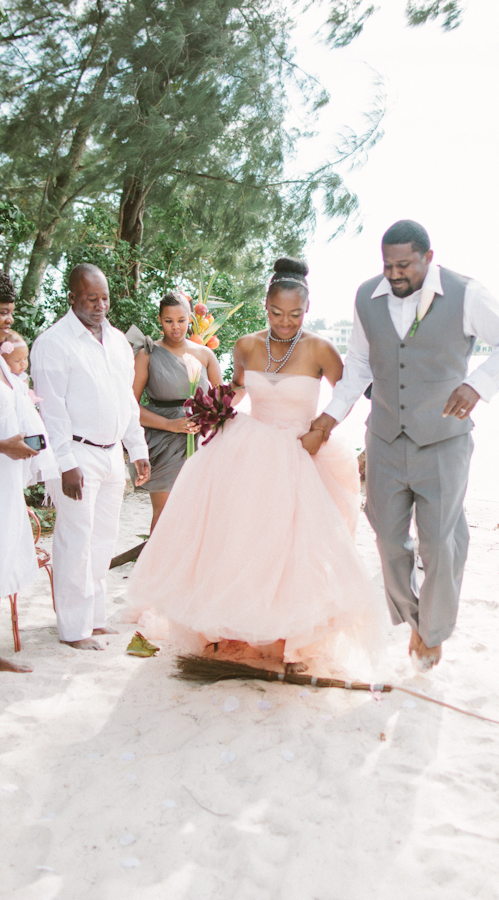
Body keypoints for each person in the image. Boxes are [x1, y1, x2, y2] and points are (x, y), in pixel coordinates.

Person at [126, 258, 385, 675]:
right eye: (277, 314)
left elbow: (350, 392)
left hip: (304, 451)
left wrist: (333, 429)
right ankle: (236, 627)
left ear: (308, 309)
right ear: (265, 308)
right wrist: (214, 411)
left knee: (297, 544)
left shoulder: (321, 349)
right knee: (245, 539)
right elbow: (239, 392)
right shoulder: (246, 345)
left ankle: (291, 635)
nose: (286, 323)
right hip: (253, 451)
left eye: (296, 314)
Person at [306, 220, 499, 671]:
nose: (394, 274)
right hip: (386, 439)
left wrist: (478, 385)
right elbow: (356, 364)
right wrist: (330, 416)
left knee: (439, 543)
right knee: (388, 538)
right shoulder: (366, 297)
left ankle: (431, 632)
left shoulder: (466, 293)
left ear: (428, 257)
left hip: (444, 442)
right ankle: (416, 620)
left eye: (404, 265)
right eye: (388, 264)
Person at [31, 263, 151, 651]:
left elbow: (127, 401)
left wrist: (138, 448)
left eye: (104, 298)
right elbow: (52, 411)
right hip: (76, 456)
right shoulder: (52, 343)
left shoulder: (117, 341)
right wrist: (65, 463)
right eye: (90, 299)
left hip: (112, 453)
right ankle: (73, 629)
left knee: (103, 540)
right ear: (71, 297)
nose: (100, 306)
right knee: (75, 541)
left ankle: (95, 619)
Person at [129, 291, 223, 532]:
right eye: (169, 320)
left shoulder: (205, 354)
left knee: (202, 513)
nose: (175, 327)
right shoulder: (146, 354)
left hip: (202, 440)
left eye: (181, 320)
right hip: (164, 439)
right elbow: (130, 406)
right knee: (165, 512)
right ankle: (157, 569)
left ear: (190, 318)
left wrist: (208, 420)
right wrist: (170, 425)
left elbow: (222, 401)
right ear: (159, 319)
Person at [0, 274, 39, 673]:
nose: (7, 321)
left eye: (9, 312)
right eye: (0, 313)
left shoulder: (4, 360)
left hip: (5, 476)